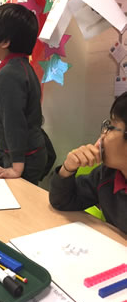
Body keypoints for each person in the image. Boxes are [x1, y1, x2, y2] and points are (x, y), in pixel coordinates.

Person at [0, 3, 47, 185]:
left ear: (5, 41)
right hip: (27, 153)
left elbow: (14, 121)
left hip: (23, 158)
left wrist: (16, 166)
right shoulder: (22, 67)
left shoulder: (9, 74)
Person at [49, 92, 127, 234]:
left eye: (111, 127)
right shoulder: (107, 175)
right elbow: (63, 202)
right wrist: (68, 168)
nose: (102, 136)